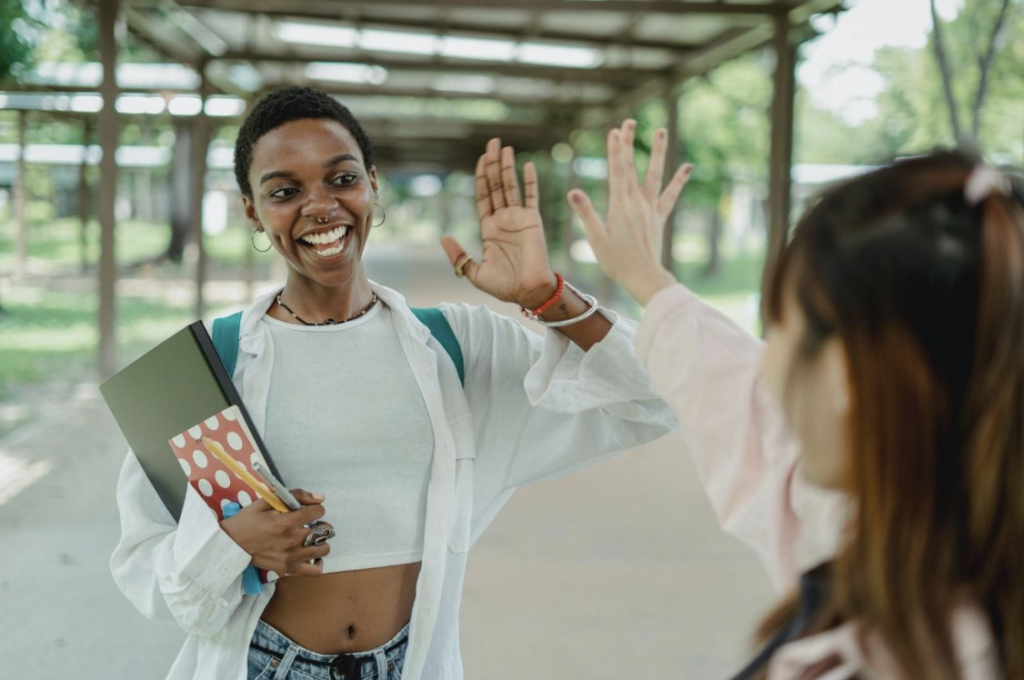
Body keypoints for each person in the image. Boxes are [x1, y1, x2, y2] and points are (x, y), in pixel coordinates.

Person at [109, 87, 678, 680]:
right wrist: (233, 546)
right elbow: (145, 568)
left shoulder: (458, 348)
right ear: (252, 210)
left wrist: (548, 296)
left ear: (373, 185)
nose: (320, 206)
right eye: (284, 191)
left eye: (341, 179)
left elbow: (658, 396)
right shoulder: (203, 370)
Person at [570, 120, 1022, 679]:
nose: (765, 368)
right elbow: (749, 410)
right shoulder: (927, 533)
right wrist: (647, 278)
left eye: (777, 326)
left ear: (844, 379)